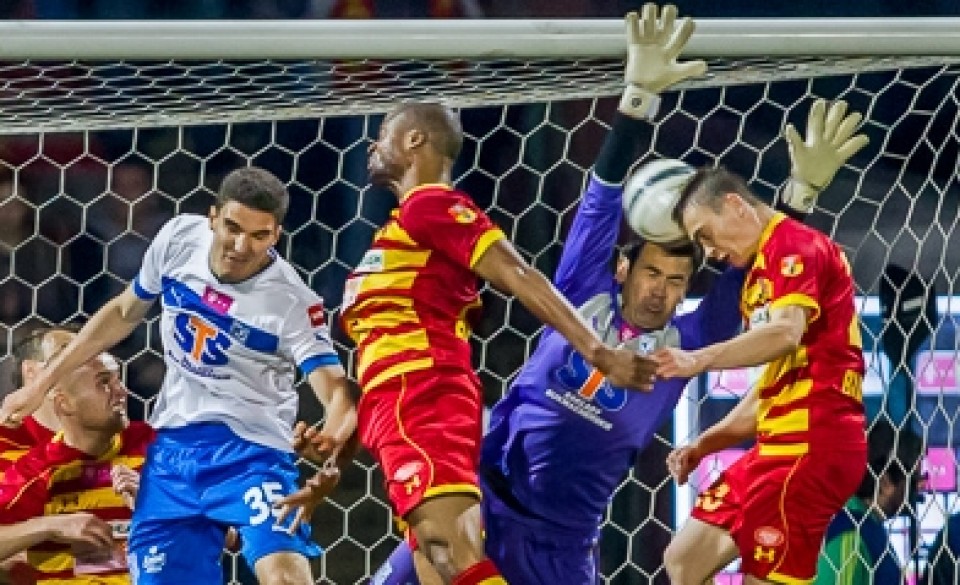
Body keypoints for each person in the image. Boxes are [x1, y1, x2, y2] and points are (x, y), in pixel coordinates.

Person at [344, 4, 869, 584]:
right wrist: (637, 99)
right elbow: (602, 195)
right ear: (622, 268)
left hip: (565, 545)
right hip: (488, 504)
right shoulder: (582, 293)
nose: (660, 291)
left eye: (676, 281)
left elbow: (752, 266)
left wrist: (798, 194)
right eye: (652, 273)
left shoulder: (687, 342)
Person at [0, 167, 358, 585]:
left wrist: (331, 445)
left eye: (259, 236)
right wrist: (41, 386)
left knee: (283, 576)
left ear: (276, 235)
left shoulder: (292, 302)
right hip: (172, 456)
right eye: (232, 228)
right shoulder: (178, 240)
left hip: (250, 455)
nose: (241, 247)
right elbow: (123, 313)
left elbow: (337, 392)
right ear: (213, 217)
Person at [656, 139, 871, 582]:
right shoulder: (760, 270)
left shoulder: (793, 245)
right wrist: (705, 444)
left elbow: (784, 334)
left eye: (705, 235)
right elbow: (773, 386)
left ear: (735, 205)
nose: (709, 253)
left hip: (810, 447)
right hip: (776, 446)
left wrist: (698, 359)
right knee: (684, 560)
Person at [0, 345, 153, 583]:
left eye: (119, 380)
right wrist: (50, 527)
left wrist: (157, 500)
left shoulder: (155, 449)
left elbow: (218, 531)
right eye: (104, 382)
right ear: (65, 403)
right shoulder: (36, 470)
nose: (122, 392)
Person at [815, 419, 923, 585]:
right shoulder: (851, 534)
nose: (918, 489)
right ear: (886, 482)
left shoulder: (868, 527)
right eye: (913, 481)